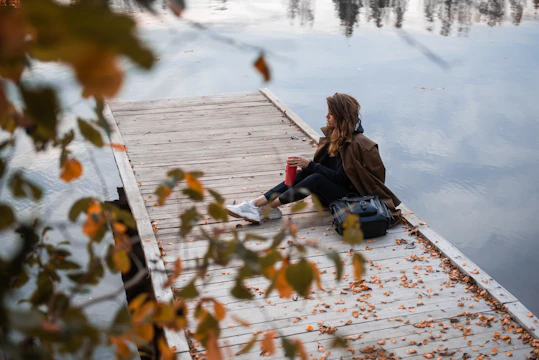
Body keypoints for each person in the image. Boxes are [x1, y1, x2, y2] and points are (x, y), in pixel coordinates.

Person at [226, 93, 402, 225]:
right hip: (334, 195)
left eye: (330, 114)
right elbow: (328, 170)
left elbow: (343, 179)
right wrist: (307, 166)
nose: (326, 117)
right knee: (304, 173)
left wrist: (311, 165)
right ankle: (255, 204)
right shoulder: (336, 137)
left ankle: (266, 209)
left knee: (315, 176)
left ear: (341, 118)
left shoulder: (358, 144)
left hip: (355, 201)